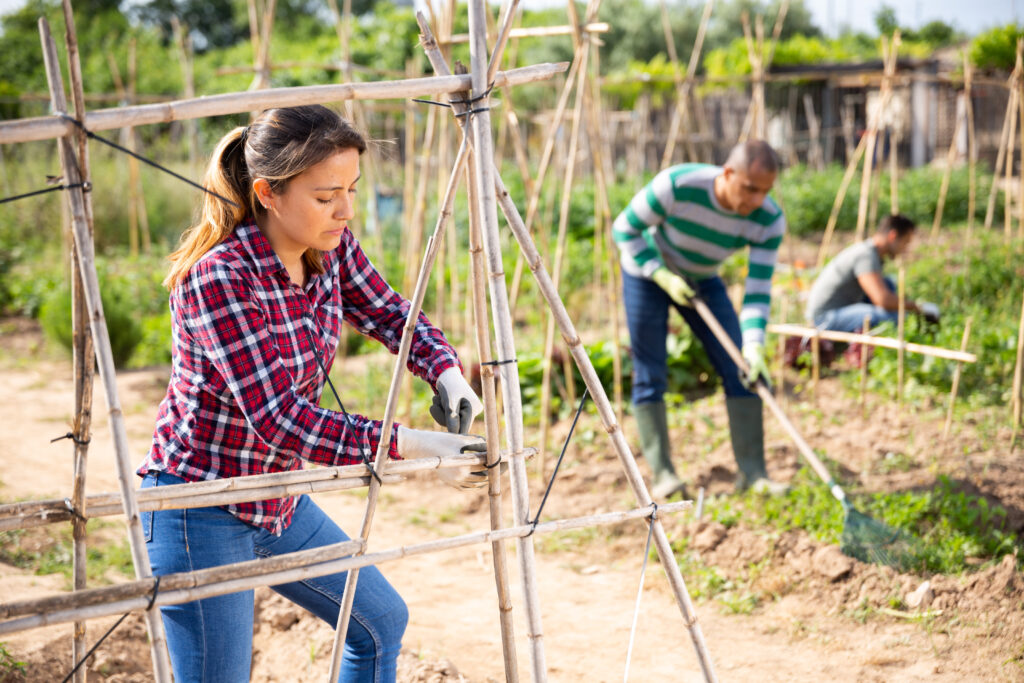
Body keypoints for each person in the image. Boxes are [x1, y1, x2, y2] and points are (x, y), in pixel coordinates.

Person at [137, 104, 486, 682]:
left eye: (351, 189)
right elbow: (283, 421)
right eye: (326, 196)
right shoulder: (219, 279)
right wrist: (416, 445)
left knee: (378, 622)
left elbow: (389, 313)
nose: (345, 210)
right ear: (268, 194)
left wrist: (444, 370)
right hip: (200, 506)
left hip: (278, 498)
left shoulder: (330, 249)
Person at [613, 140, 788, 500]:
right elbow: (624, 229)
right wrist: (659, 274)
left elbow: (757, 291)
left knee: (741, 367)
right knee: (650, 372)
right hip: (648, 271)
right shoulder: (677, 185)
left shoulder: (768, 220)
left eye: (765, 191)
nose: (756, 200)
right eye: (750, 189)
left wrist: (754, 348)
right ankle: (664, 475)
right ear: (727, 173)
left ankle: (753, 473)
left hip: (703, 277)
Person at [806, 213, 939, 334]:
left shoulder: (872, 253)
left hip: (840, 310)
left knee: (888, 284)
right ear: (893, 236)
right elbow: (882, 300)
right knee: (885, 316)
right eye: (905, 242)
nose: (905, 249)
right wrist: (917, 307)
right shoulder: (866, 255)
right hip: (824, 318)